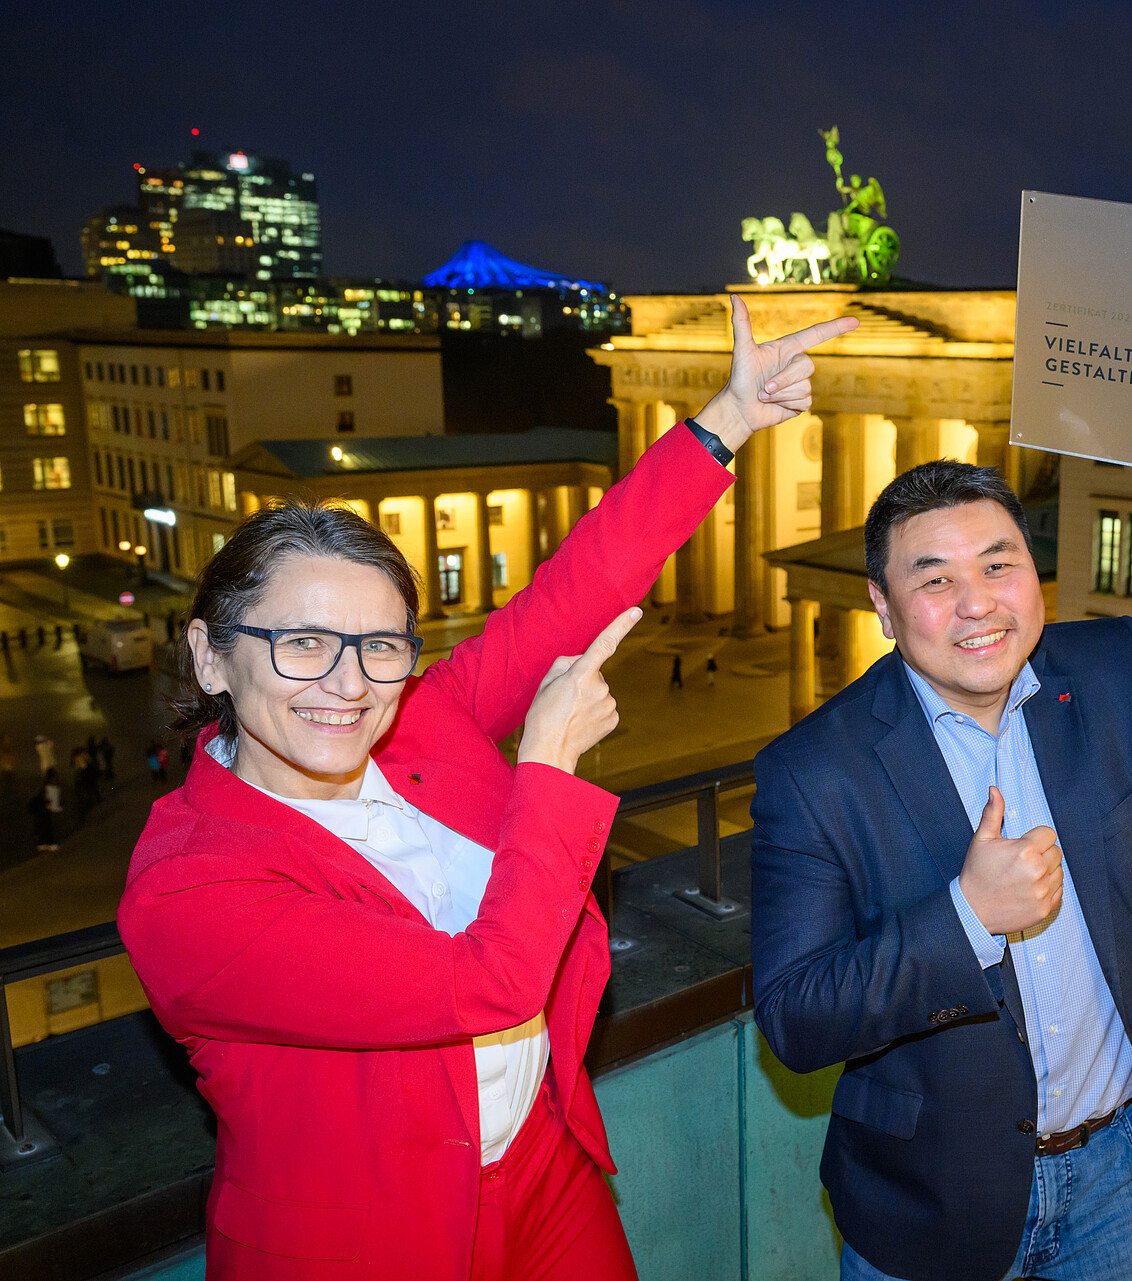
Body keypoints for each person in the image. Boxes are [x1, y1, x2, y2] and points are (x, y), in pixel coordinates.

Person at [117, 296, 855, 1281]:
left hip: (541, 1176)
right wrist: (546, 768)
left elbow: (569, 595)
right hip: (360, 1241)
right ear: (211, 658)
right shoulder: (185, 889)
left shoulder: (420, 718)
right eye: (301, 644)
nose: (349, 684)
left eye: (380, 646)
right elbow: (489, 984)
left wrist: (724, 421)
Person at [750, 436, 1132, 1281]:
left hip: (1125, 1158)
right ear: (883, 603)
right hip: (932, 1197)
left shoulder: (1111, 669)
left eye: (999, 565)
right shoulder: (816, 770)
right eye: (934, 578)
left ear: (1036, 571)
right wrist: (966, 919)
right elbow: (795, 1016)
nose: (976, 604)